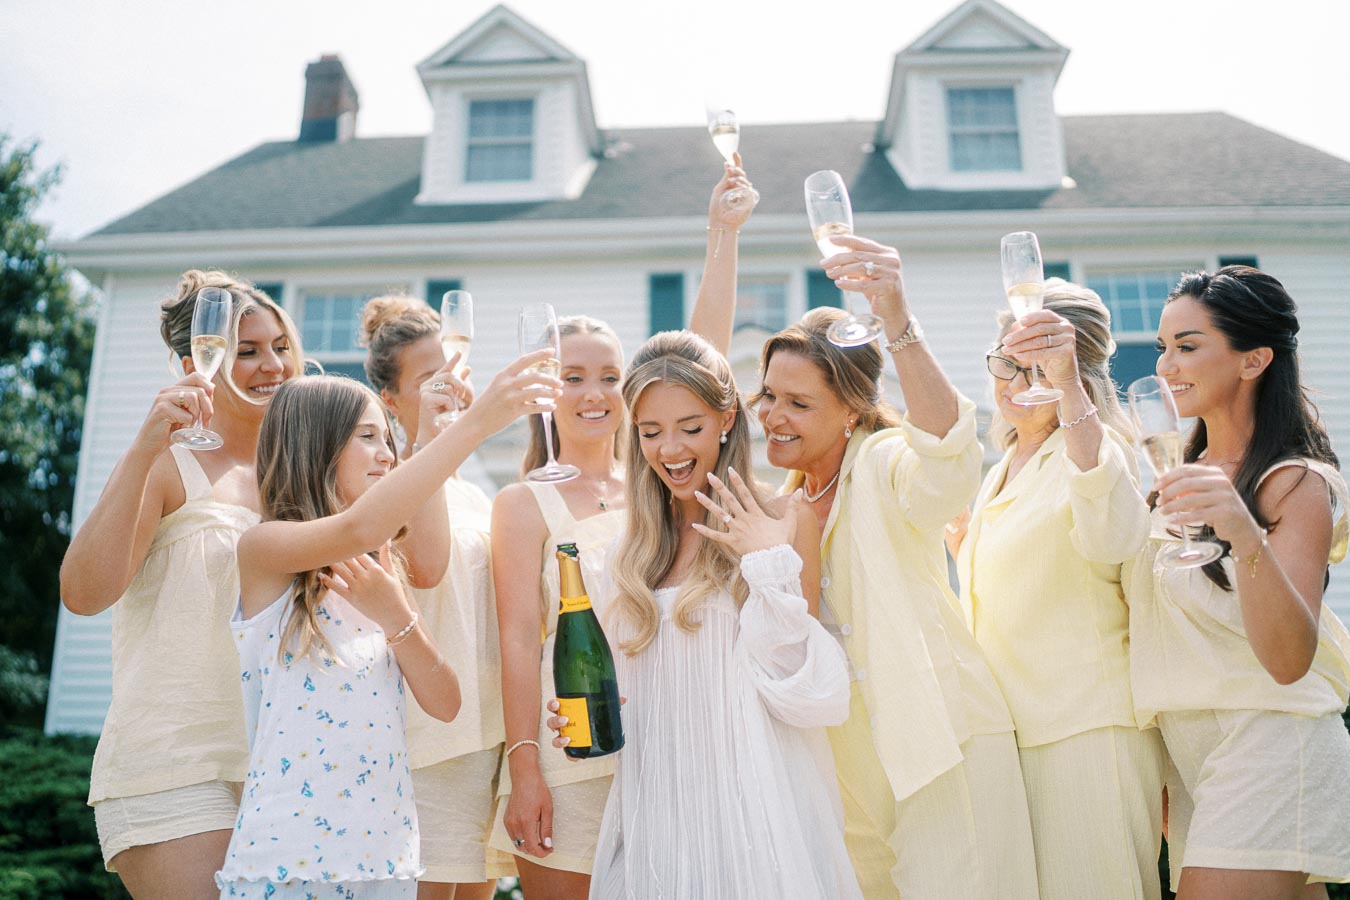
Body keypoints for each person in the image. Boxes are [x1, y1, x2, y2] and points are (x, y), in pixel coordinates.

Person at [490, 159, 754, 898]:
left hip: (669, 752)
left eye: (609, 375)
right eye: (572, 376)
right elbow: (518, 640)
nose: (594, 392)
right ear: (545, 389)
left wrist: (723, 235)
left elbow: (704, 360)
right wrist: (524, 766)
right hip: (571, 755)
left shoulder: (661, 489)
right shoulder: (522, 504)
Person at [751, 236, 1038, 898]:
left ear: (851, 410)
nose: (772, 417)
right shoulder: (781, 506)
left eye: (798, 403)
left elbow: (946, 458)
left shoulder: (882, 461)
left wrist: (897, 318)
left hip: (944, 741)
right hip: (845, 769)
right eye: (768, 395)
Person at [216, 351, 559, 899]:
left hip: (383, 852)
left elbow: (445, 702)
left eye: (387, 438)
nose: (387, 453)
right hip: (289, 849)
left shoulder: (383, 567)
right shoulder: (266, 549)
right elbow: (359, 526)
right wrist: (476, 424)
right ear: (316, 443)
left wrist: (397, 615)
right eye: (367, 437)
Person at [573, 330, 859, 899]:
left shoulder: (783, 517)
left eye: (690, 427)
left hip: (752, 811)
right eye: (651, 432)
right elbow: (622, 691)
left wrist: (765, 561)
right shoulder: (624, 553)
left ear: (727, 419)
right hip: (657, 813)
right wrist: (589, 710)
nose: (670, 450)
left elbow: (806, 693)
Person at [60, 271, 304, 898]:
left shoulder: (298, 478)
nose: (273, 365)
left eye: (280, 346)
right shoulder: (168, 463)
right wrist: (144, 449)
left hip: (286, 764)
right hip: (173, 762)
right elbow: (82, 593)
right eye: (247, 351)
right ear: (198, 362)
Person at [1129, 266, 1350, 899]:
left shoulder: (1294, 482)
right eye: (1163, 347)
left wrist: (1243, 533)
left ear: (1254, 360)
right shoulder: (1171, 480)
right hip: (1192, 754)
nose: (1166, 366)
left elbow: (1288, 659)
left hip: (1271, 739)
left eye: (1188, 346)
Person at [954, 281, 1162, 899]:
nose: (1015, 382)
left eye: (1038, 366)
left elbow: (1112, 539)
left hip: (1085, 732)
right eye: (1005, 361)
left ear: (1078, 373)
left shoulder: (1099, 451)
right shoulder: (998, 473)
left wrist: (1066, 386)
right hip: (1012, 736)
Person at [360, 295, 514, 900]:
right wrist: (431, 440)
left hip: (487, 735)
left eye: (452, 371)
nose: (449, 387)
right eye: (430, 379)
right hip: (425, 745)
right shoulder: (385, 482)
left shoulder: (473, 491)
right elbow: (426, 569)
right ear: (391, 400)